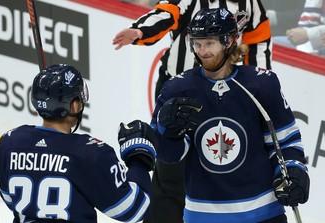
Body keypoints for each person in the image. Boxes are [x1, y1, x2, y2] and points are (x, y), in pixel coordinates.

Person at [112, 1, 272, 222]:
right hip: (181, 93)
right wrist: (141, 30)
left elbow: (258, 42)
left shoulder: (250, 4)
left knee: (220, 166)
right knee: (171, 171)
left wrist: (258, 87)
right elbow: (167, 13)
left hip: (227, 93)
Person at [150, 7, 310, 223]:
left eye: (210, 43)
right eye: (197, 43)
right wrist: (166, 131)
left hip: (264, 214)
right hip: (203, 216)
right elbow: (168, 156)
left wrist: (295, 171)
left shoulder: (261, 84)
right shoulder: (177, 90)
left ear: (230, 41)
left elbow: (285, 141)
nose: (202, 51)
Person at [0, 64, 157, 223]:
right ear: (74, 105)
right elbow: (133, 210)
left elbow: (9, 197)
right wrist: (139, 160)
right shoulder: (90, 153)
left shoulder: (9, 142)